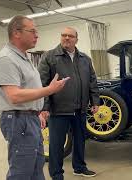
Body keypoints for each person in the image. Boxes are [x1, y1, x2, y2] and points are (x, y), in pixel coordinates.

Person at [0, 15, 69, 180]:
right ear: (16, 33)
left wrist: (37, 111)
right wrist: (50, 90)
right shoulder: (6, 59)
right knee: (22, 171)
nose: (37, 35)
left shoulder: (24, 58)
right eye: (32, 31)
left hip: (29, 118)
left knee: (36, 168)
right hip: (18, 120)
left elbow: (29, 89)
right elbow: (15, 96)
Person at [38, 27, 100, 179]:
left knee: (80, 141)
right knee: (56, 145)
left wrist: (95, 101)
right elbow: (42, 84)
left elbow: (92, 81)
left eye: (70, 36)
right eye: (63, 35)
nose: (66, 38)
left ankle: (79, 167)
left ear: (76, 39)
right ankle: (57, 174)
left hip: (80, 109)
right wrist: (44, 107)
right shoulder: (49, 57)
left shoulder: (85, 59)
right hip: (58, 110)